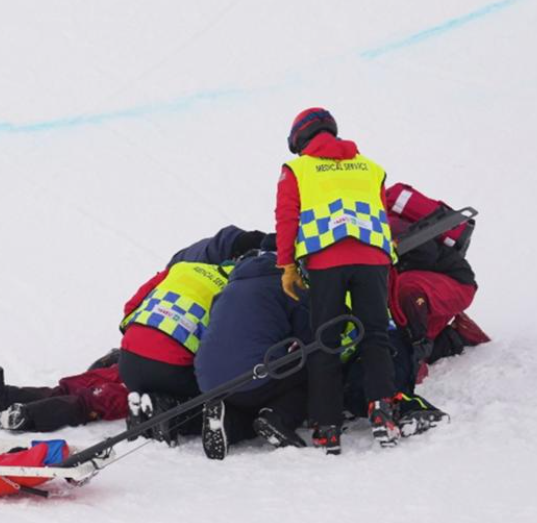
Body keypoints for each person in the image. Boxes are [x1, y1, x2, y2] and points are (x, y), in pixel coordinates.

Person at [275, 107, 398, 454]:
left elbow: (287, 218)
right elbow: (383, 214)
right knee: (374, 334)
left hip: (326, 261)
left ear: (299, 138)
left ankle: (327, 426)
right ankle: (382, 412)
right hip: (373, 258)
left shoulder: (297, 169)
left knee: (325, 339)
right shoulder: (371, 168)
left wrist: (286, 265)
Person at [118, 227, 264, 444]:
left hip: (127, 362)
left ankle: (147, 407)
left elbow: (131, 306)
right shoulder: (234, 289)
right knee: (221, 403)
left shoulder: (182, 268)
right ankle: (170, 414)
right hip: (172, 369)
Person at [194, 236, 313, 459]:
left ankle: (227, 423)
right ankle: (278, 416)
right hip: (256, 373)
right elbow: (308, 336)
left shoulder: (231, 285)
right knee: (307, 370)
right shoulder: (289, 283)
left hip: (209, 380)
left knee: (247, 396)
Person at [387, 215, 483, 382]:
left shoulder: (388, 224)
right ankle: (456, 336)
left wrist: (396, 257)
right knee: (399, 342)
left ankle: (418, 352)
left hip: (456, 282)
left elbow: (427, 252)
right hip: (430, 291)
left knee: (405, 287)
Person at [0, 350, 127, 432]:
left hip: (142, 387)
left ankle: (25, 417)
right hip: (136, 364)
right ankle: (3, 399)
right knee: (72, 387)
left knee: (95, 399)